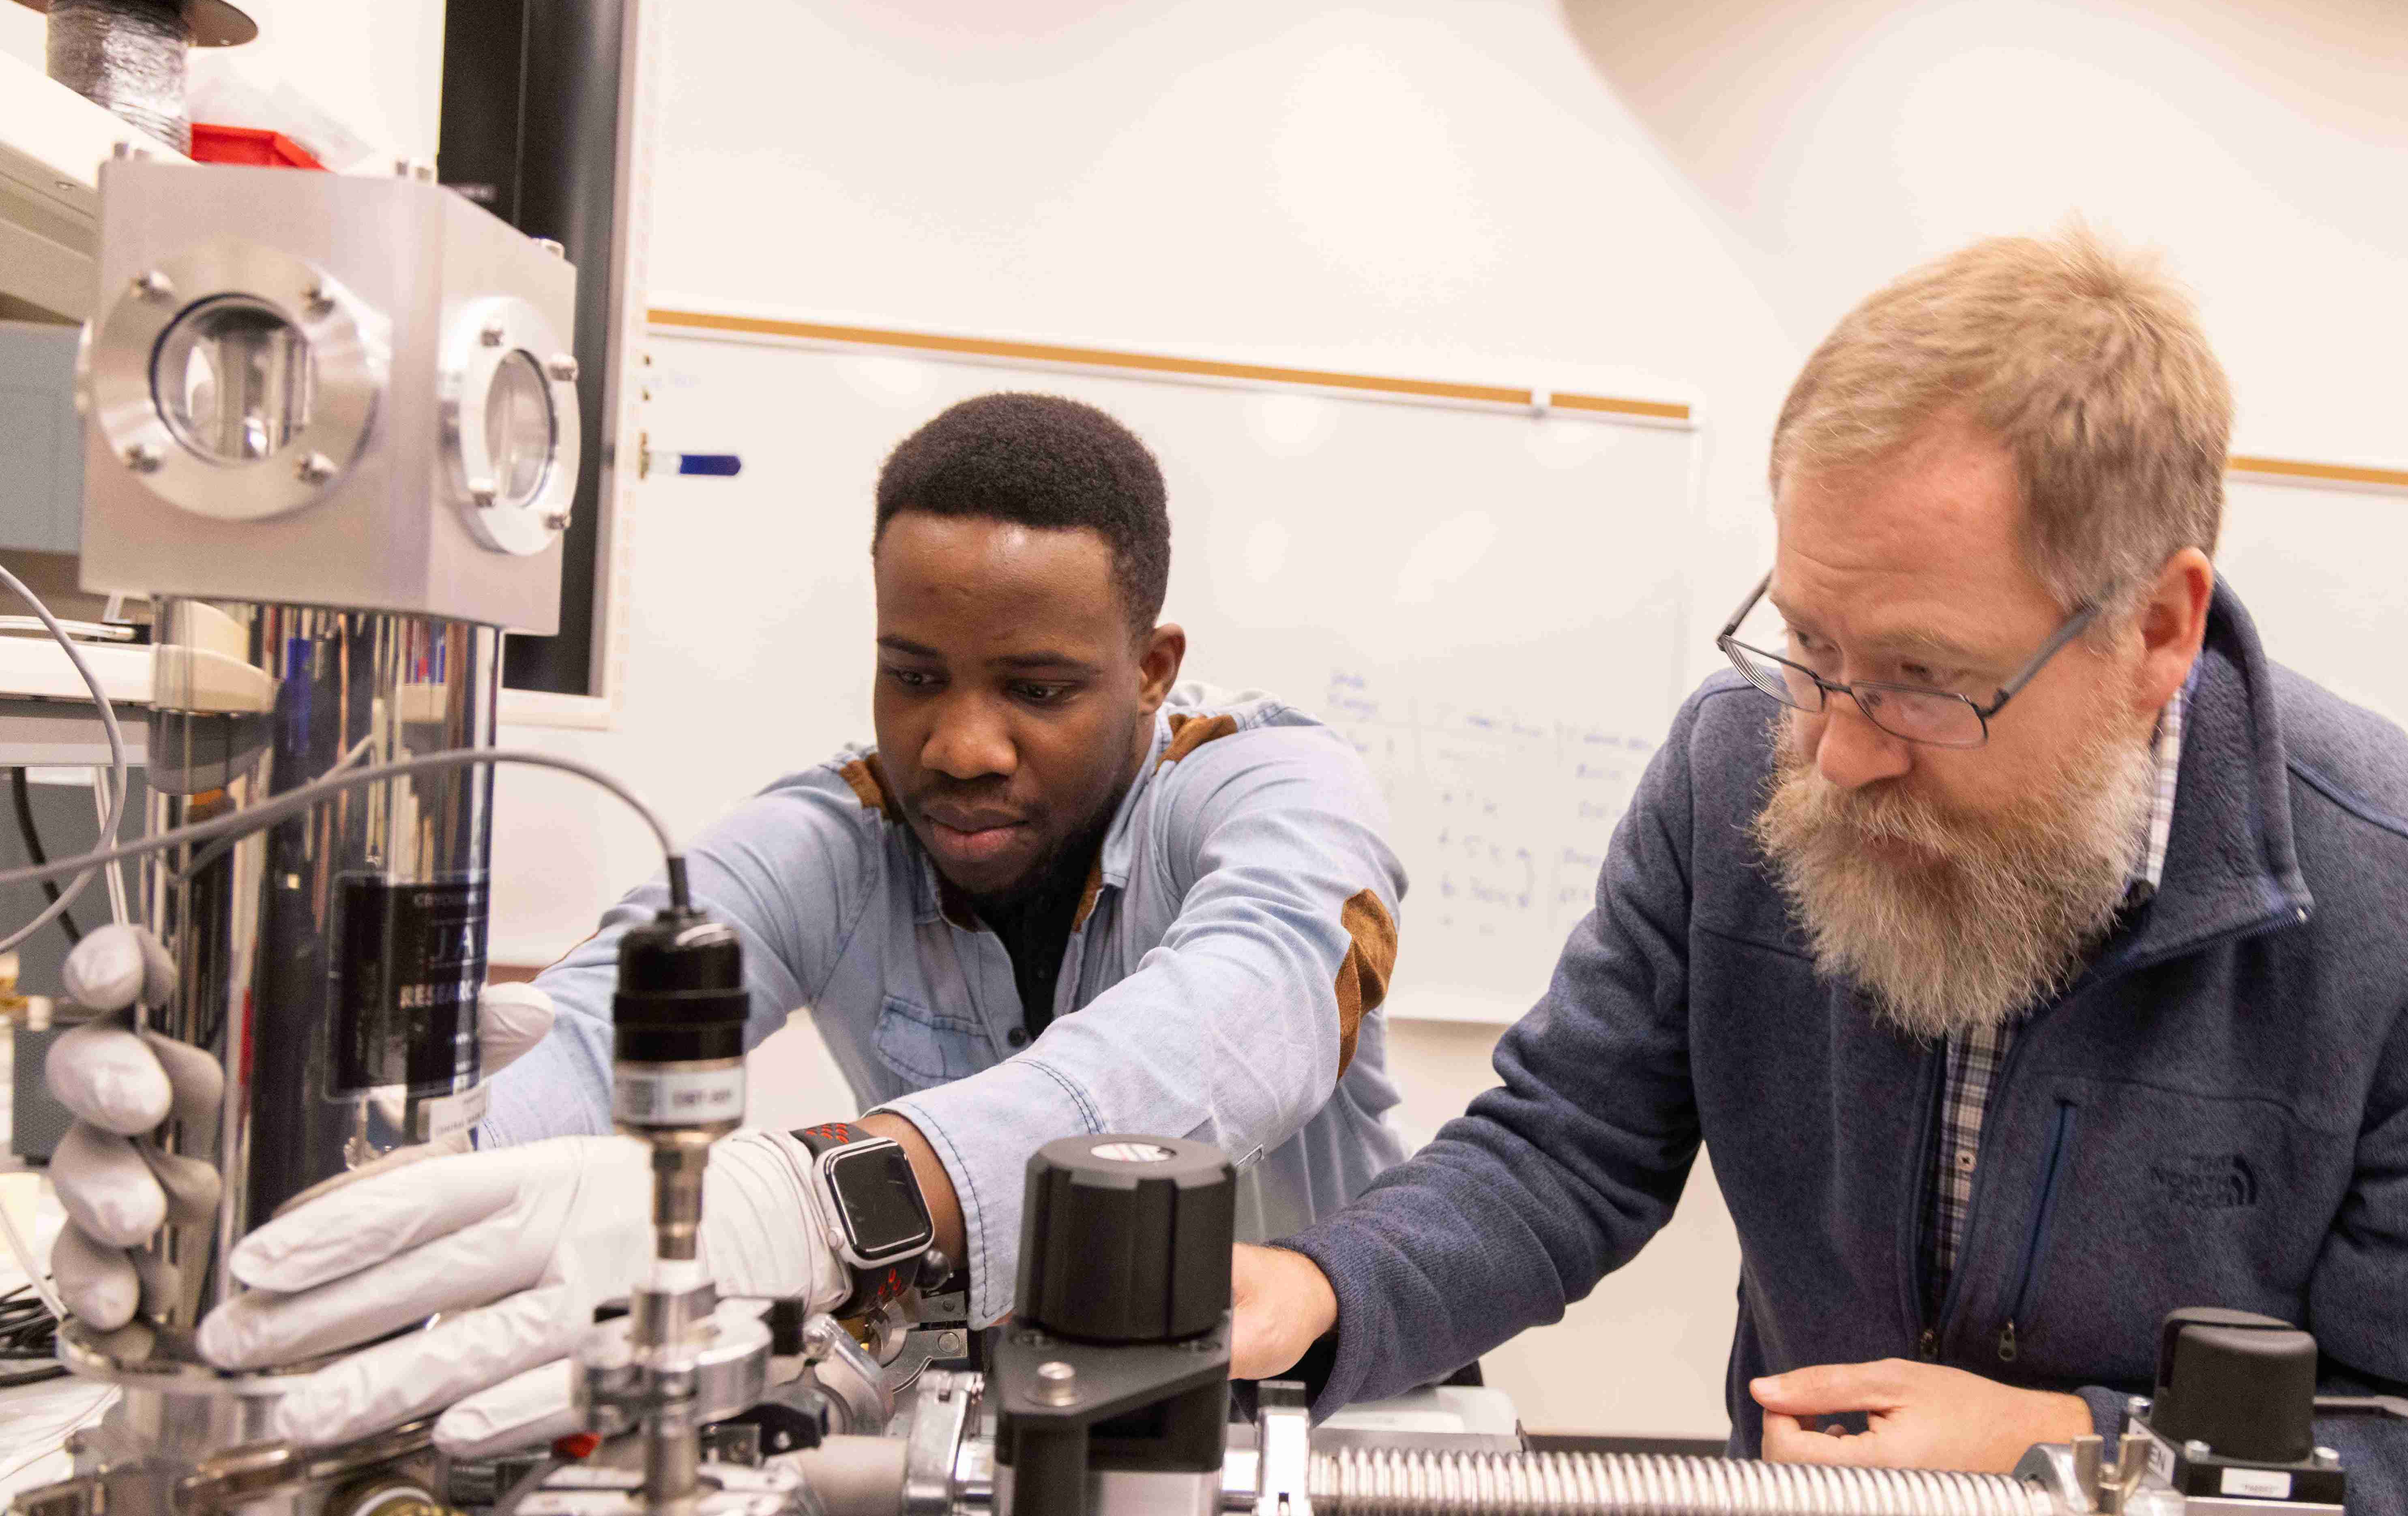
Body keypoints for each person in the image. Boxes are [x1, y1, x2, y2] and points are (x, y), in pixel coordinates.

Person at [1229, 230, 2408, 1516]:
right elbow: (1566, 1146)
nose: (1837, 749)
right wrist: (1321, 1286)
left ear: (2157, 633)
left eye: (1924, 676)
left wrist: (2080, 1458)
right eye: (1812, 647)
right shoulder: (1739, 774)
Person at [56, 391, 1410, 1448]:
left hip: (1325, 1429)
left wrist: (837, 1193)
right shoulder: (839, 836)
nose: (962, 745)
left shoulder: (1267, 789)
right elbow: (600, 1027)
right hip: (1000, 1427)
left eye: (1039, 688)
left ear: (1152, 667)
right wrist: (309, 1189)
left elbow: (1245, 1014)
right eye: (913, 675)